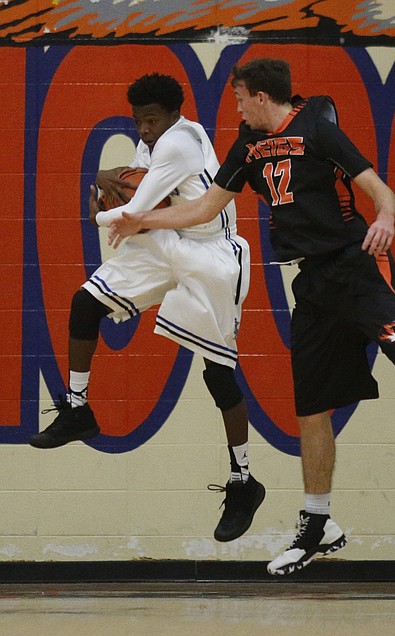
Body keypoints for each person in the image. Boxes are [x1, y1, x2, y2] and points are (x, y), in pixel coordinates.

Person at [107, 58, 395, 575]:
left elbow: (382, 190)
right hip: (310, 280)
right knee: (311, 405)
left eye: (240, 96)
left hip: (355, 262)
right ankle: (317, 525)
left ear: (261, 96)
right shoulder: (248, 145)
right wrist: (142, 219)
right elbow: (205, 207)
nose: (236, 106)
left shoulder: (320, 130)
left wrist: (387, 220)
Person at [29, 73, 265, 544]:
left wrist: (100, 197)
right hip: (166, 241)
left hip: (211, 255)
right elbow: (140, 211)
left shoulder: (179, 143)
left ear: (173, 114)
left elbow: (128, 212)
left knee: (217, 376)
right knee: (84, 303)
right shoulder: (154, 142)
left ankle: (244, 480)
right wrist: (117, 194)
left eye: (151, 120)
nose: (144, 130)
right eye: (138, 121)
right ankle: (78, 409)